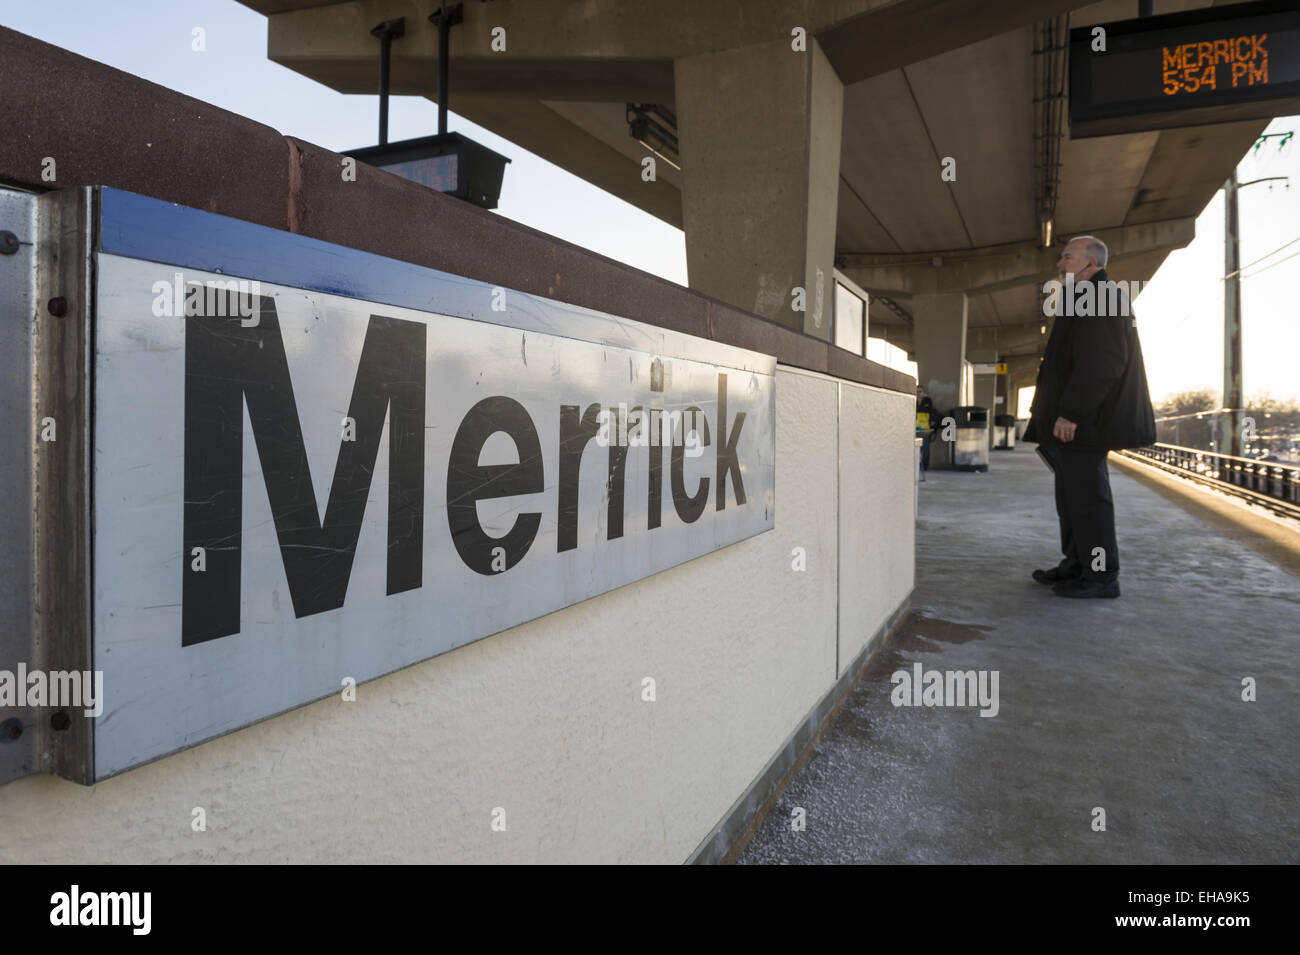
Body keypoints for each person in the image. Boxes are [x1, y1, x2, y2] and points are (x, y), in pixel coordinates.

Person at [1022, 235, 1156, 598]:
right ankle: (1078, 564)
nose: (1060, 263)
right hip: (1075, 423)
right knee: (1072, 499)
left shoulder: (1102, 297)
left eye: (1067, 257)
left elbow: (1101, 363)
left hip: (1086, 423)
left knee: (1089, 501)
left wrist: (1071, 413)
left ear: (1091, 264)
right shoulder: (1084, 298)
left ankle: (1100, 576)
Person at [916, 385, 937, 473]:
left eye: (920, 391)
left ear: (923, 393)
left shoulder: (927, 400)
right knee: (917, 447)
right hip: (916, 427)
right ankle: (917, 465)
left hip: (926, 427)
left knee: (926, 448)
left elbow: (929, 410)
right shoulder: (914, 400)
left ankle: (924, 466)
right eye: (917, 391)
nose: (918, 393)